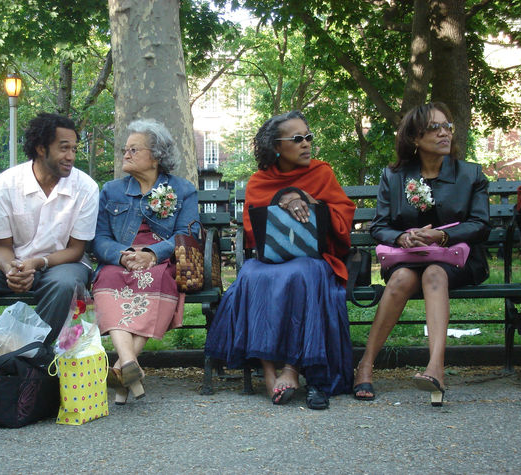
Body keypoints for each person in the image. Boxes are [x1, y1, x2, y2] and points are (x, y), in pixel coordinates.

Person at [204, 110, 355, 410]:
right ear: (276, 146)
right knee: (250, 275)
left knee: (301, 273)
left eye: (308, 137)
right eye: (296, 139)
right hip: (270, 259)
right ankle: (269, 372)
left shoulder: (322, 173)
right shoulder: (260, 181)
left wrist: (305, 198)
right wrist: (281, 200)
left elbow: (342, 219)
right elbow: (251, 231)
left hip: (315, 258)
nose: (306, 144)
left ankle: (291, 369)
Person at [353, 102, 490, 406]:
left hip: (459, 260)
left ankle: (435, 368)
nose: (444, 133)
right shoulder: (395, 176)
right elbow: (380, 225)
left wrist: (443, 235)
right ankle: (365, 365)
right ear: (415, 138)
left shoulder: (470, 174)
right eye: (435, 128)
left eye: (447, 127)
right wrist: (402, 236)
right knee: (401, 278)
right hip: (407, 259)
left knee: (434, 273)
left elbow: (481, 225)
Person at [0, 113, 99, 351]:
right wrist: (10, 270)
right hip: (14, 263)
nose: (71, 156)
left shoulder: (85, 188)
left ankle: (30, 360)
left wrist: (37, 263)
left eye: (74, 149)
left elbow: (76, 249)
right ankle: (2, 356)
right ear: (40, 148)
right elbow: (1, 246)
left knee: (65, 286)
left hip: (61, 263)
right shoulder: (6, 184)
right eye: (64, 148)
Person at [92, 118, 199, 404]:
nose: (125, 155)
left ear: (156, 156)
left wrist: (152, 254)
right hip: (121, 260)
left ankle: (121, 366)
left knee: (154, 277)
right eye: (125, 150)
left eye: (133, 150)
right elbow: (100, 238)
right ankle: (129, 364)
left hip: (160, 260)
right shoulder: (111, 191)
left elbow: (188, 234)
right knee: (107, 278)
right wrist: (122, 255)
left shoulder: (182, 189)